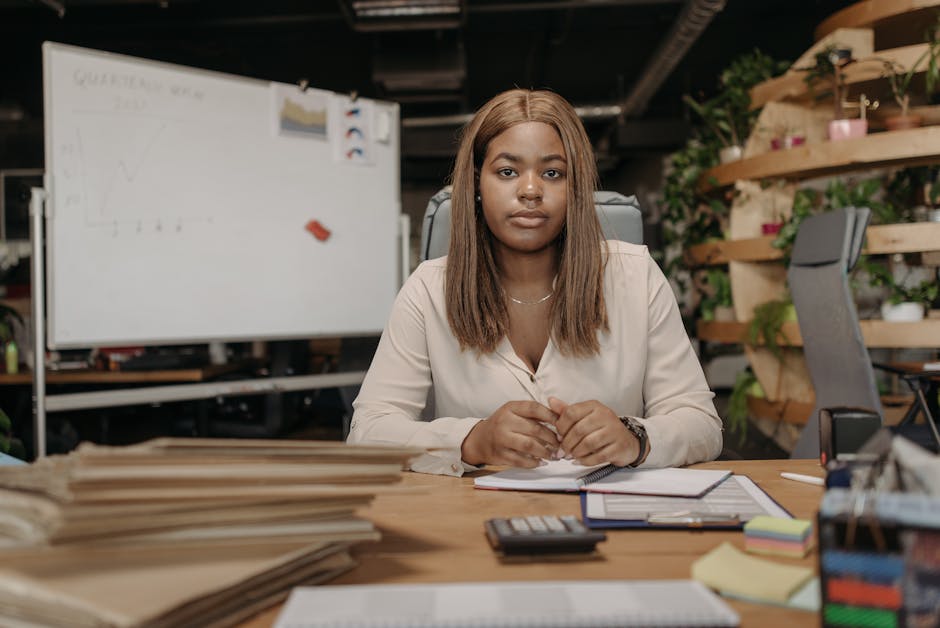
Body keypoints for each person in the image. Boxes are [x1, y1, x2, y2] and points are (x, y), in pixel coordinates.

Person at [348, 88, 722, 476]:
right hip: (474, 520)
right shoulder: (428, 289)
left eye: (552, 173)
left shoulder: (636, 275)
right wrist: (471, 440)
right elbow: (367, 432)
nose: (530, 190)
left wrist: (637, 438)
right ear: (477, 184)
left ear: (574, 187)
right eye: (508, 172)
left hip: (609, 519)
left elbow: (702, 423)